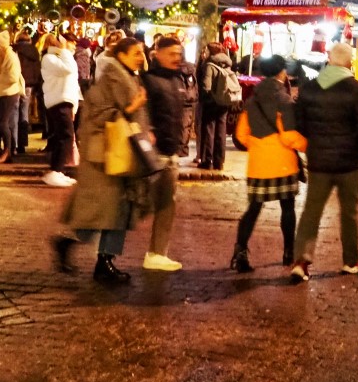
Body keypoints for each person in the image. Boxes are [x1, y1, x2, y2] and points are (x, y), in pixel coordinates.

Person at [54, 37, 152, 283]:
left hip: (122, 156)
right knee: (109, 212)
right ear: (121, 56)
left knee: (114, 213)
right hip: (108, 159)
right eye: (136, 53)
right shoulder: (109, 81)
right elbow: (98, 117)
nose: (141, 57)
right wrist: (131, 109)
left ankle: (89, 254)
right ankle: (98, 259)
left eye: (142, 53)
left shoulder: (128, 77)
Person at [290, 42, 358, 282]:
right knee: (349, 212)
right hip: (349, 163)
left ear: (329, 60)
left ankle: (301, 260)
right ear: (350, 62)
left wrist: (314, 142)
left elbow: (299, 122)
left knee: (311, 212)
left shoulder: (310, 89)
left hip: (319, 160)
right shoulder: (356, 90)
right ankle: (351, 259)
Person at [231, 55, 306, 273]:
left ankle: (241, 251)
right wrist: (308, 146)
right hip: (283, 162)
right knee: (288, 207)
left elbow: (241, 135)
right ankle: (288, 252)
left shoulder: (252, 100)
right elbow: (290, 136)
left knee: (253, 208)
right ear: (282, 72)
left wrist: (258, 145)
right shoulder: (284, 100)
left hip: (258, 163)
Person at [141, 36, 188, 270]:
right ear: (157, 54)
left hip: (171, 152)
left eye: (179, 54)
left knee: (167, 204)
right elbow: (142, 112)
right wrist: (148, 133)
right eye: (171, 54)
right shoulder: (148, 80)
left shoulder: (178, 79)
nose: (177, 58)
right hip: (152, 154)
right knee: (133, 205)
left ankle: (157, 253)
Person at [40, 34, 81, 187]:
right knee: (65, 136)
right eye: (71, 43)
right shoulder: (50, 58)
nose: (74, 46)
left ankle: (58, 171)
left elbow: (73, 82)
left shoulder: (62, 57)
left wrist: (74, 104)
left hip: (65, 100)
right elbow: (68, 70)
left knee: (63, 136)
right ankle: (55, 171)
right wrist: (64, 51)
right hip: (58, 100)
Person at [0, 30, 24, 164]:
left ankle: (7, 152)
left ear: (2, 46)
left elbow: (13, 77)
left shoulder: (11, 57)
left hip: (8, 93)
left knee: (2, 123)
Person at [197, 42, 238, 170]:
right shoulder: (227, 63)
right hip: (224, 101)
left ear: (211, 52)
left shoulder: (210, 64)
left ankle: (206, 160)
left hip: (211, 102)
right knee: (221, 130)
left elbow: (206, 86)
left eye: (206, 50)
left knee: (208, 130)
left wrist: (205, 98)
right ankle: (219, 161)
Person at [13, 30, 42, 155]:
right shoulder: (34, 52)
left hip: (15, 83)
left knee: (14, 113)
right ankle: (22, 145)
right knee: (24, 113)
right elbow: (37, 69)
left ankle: (13, 143)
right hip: (29, 85)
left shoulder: (14, 50)